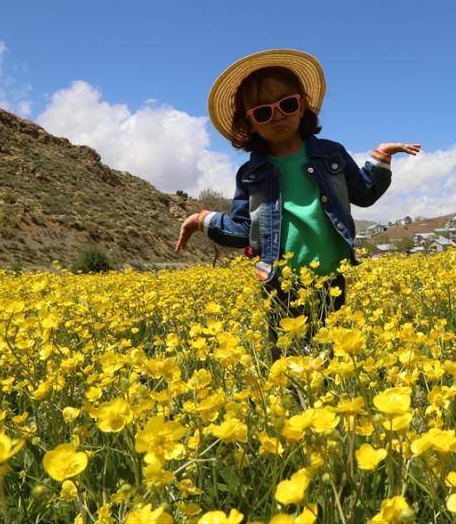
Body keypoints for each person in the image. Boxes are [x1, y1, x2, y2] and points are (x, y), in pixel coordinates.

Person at [174, 48, 419, 359]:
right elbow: (243, 230)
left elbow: (365, 194)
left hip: (330, 279)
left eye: (286, 104)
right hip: (278, 284)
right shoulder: (250, 174)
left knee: (332, 363)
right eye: (263, 112)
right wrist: (203, 220)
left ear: (302, 105)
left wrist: (381, 157)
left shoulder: (331, 154)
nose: (277, 116)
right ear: (249, 123)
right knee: (288, 366)